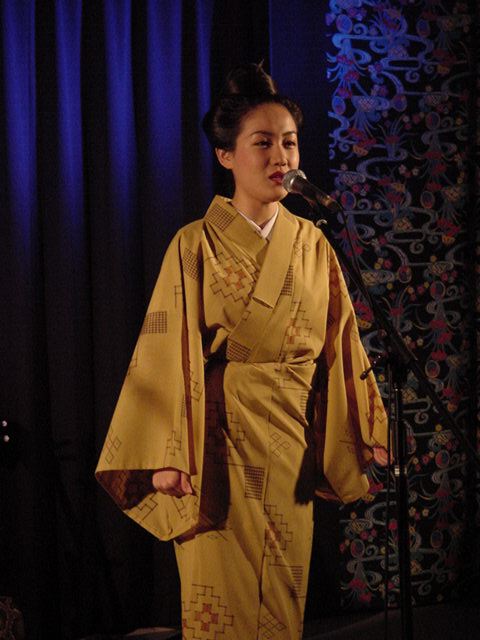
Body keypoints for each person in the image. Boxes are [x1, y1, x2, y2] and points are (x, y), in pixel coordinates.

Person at [96, 63, 388, 639]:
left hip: (290, 445)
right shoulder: (195, 243)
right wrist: (167, 452)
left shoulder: (314, 244)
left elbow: (341, 345)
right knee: (222, 607)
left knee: (282, 605)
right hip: (218, 449)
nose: (281, 156)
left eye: (290, 142)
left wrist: (368, 425)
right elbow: (166, 349)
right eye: (263, 143)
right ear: (226, 155)